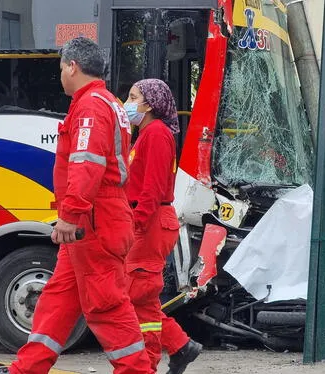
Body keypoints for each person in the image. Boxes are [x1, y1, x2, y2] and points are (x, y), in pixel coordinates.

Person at [0, 37, 154, 373]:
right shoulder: (107, 102)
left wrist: (71, 216)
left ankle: (137, 370)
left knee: (106, 305)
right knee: (58, 300)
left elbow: (87, 164)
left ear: (73, 66)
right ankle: (26, 369)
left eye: (61, 68)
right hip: (98, 219)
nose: (60, 75)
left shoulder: (90, 107)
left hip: (94, 221)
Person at [123, 78, 202, 374]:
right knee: (141, 299)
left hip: (150, 221)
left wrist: (137, 224)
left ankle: (148, 362)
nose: (127, 102)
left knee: (131, 295)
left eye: (133, 96)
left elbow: (153, 188)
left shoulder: (155, 133)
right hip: (150, 220)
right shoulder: (147, 133)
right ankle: (180, 347)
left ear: (151, 103)